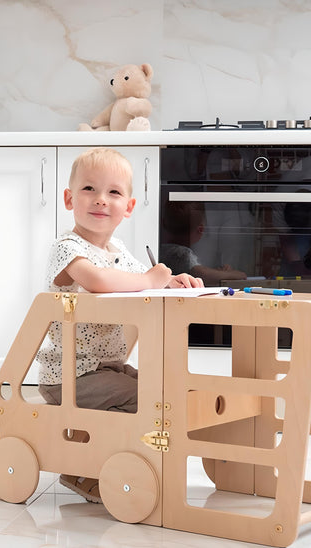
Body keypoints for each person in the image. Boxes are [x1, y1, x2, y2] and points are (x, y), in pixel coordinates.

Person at [36, 147, 202, 503]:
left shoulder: (118, 250)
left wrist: (172, 281)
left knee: (166, 391)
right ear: (69, 199)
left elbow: (135, 279)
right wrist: (148, 277)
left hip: (105, 367)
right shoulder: (67, 248)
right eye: (88, 189)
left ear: (128, 207)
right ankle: (82, 469)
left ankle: (138, 462)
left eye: (113, 192)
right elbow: (97, 280)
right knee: (147, 399)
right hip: (70, 375)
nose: (100, 200)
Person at [159, 200, 246, 285]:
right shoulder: (182, 254)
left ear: (163, 223)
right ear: (201, 230)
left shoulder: (163, 249)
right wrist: (235, 275)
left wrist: (219, 272)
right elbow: (202, 274)